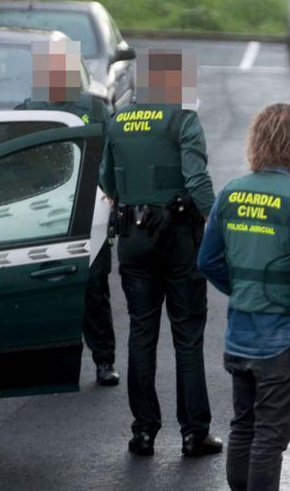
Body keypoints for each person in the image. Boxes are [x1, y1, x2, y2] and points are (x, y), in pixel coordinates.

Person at [99, 49, 222, 457]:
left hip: (133, 240)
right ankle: (194, 432)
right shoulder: (182, 118)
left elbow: (107, 183)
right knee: (187, 335)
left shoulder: (117, 122)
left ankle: (143, 432)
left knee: (141, 334)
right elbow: (197, 178)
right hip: (178, 239)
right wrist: (217, 223)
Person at [197, 103, 290, 491]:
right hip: (280, 334)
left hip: (239, 332)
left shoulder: (231, 192)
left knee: (243, 426)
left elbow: (207, 259)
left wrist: (240, 289)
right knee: (270, 435)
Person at [17, 40, 119, 386]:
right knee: (42, 286)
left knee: (93, 284)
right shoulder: (27, 110)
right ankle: (46, 361)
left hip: (89, 210)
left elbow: (111, 153)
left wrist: (111, 195)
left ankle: (104, 360)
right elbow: (16, 166)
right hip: (42, 211)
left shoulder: (93, 107)